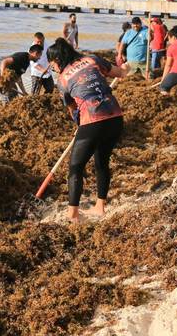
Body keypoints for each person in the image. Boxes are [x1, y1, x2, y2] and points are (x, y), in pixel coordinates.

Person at [46, 37, 130, 224]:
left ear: (57, 60)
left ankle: (73, 215)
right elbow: (121, 73)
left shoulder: (63, 79)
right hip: (115, 117)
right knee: (101, 161)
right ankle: (100, 207)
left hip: (93, 120)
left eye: (51, 64)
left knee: (75, 167)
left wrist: (80, 125)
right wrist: (127, 67)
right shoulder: (92, 59)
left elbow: (72, 109)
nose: (52, 68)